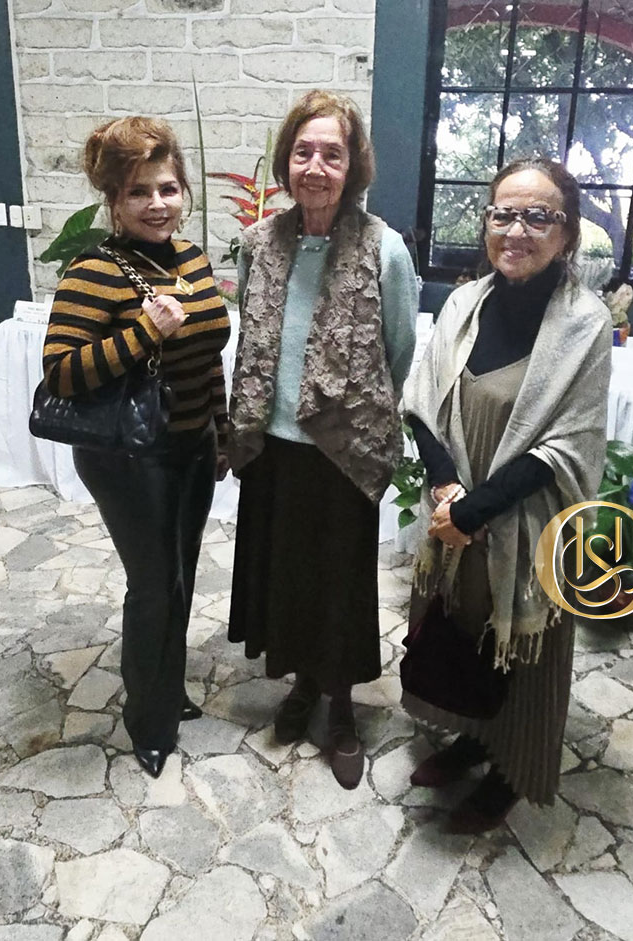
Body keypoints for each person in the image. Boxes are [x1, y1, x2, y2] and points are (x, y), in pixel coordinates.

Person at [402, 157, 611, 831]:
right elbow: (422, 403)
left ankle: (511, 770)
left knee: (525, 649)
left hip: (529, 524)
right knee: (468, 630)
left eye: (538, 216)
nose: (516, 230)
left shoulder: (584, 323)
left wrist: (473, 511)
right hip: (457, 509)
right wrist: (448, 491)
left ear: (567, 233)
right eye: (503, 214)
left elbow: (568, 445)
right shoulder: (464, 303)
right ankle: (473, 735)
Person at [227, 90, 418, 789]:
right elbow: (252, 331)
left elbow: (400, 348)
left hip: (343, 449)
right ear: (287, 161)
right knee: (289, 576)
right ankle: (303, 684)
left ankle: (341, 709)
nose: (315, 166)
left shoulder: (383, 248)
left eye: (331, 154)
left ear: (352, 166)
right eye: (303, 152)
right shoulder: (259, 243)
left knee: (340, 583)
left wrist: (352, 407)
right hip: (272, 444)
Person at [41, 117, 230, 779]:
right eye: (139, 192)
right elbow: (61, 374)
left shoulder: (192, 259)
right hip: (128, 458)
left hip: (191, 445)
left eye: (168, 188)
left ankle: (166, 686)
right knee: (152, 586)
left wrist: (221, 429)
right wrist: (144, 331)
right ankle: (148, 721)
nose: (157, 204)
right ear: (114, 202)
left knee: (180, 575)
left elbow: (206, 353)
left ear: (184, 193)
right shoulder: (93, 272)